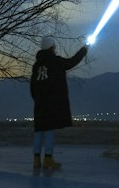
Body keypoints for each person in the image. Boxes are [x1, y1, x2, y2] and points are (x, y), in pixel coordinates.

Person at [30, 36, 88, 172]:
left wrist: (37, 98)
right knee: (49, 130)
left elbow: (32, 85)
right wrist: (84, 50)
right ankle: (48, 159)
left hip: (39, 103)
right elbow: (71, 62)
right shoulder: (55, 61)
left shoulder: (37, 65)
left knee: (39, 130)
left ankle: (36, 159)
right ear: (52, 47)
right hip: (52, 102)